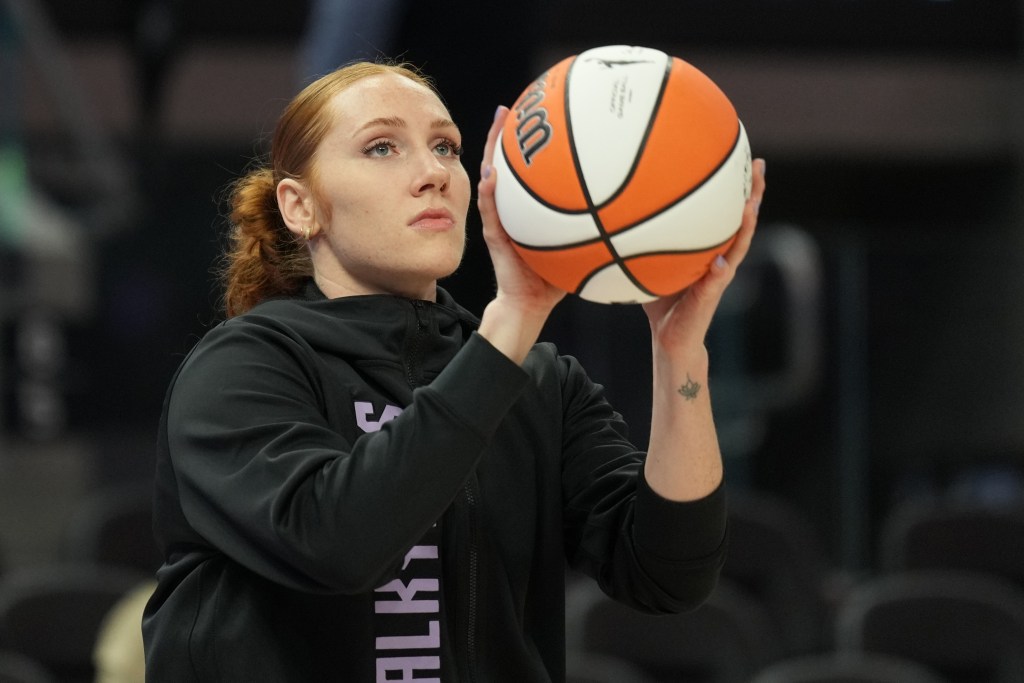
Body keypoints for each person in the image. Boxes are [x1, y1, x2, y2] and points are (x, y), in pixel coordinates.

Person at [141, 60, 767, 682]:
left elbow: (669, 575)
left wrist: (679, 351)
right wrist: (514, 319)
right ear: (301, 207)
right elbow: (337, 543)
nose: (433, 173)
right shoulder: (241, 365)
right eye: (382, 147)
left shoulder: (539, 381)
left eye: (446, 147)